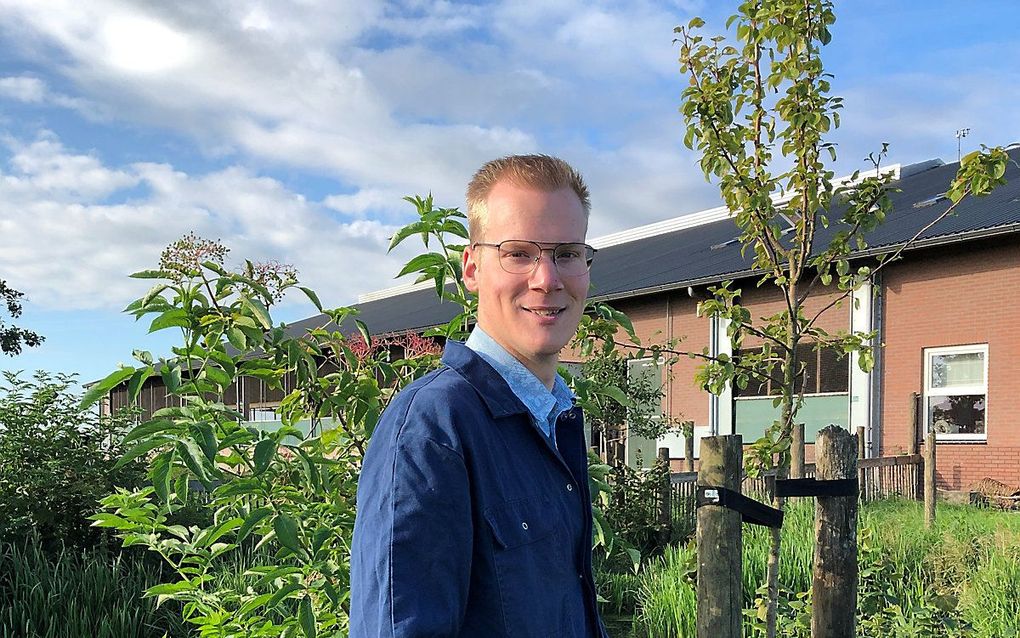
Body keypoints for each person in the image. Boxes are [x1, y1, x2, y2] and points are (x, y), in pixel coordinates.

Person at [350, 154, 607, 637]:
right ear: (471, 268)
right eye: (518, 253)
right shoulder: (433, 427)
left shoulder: (558, 419)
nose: (547, 278)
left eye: (567, 253)